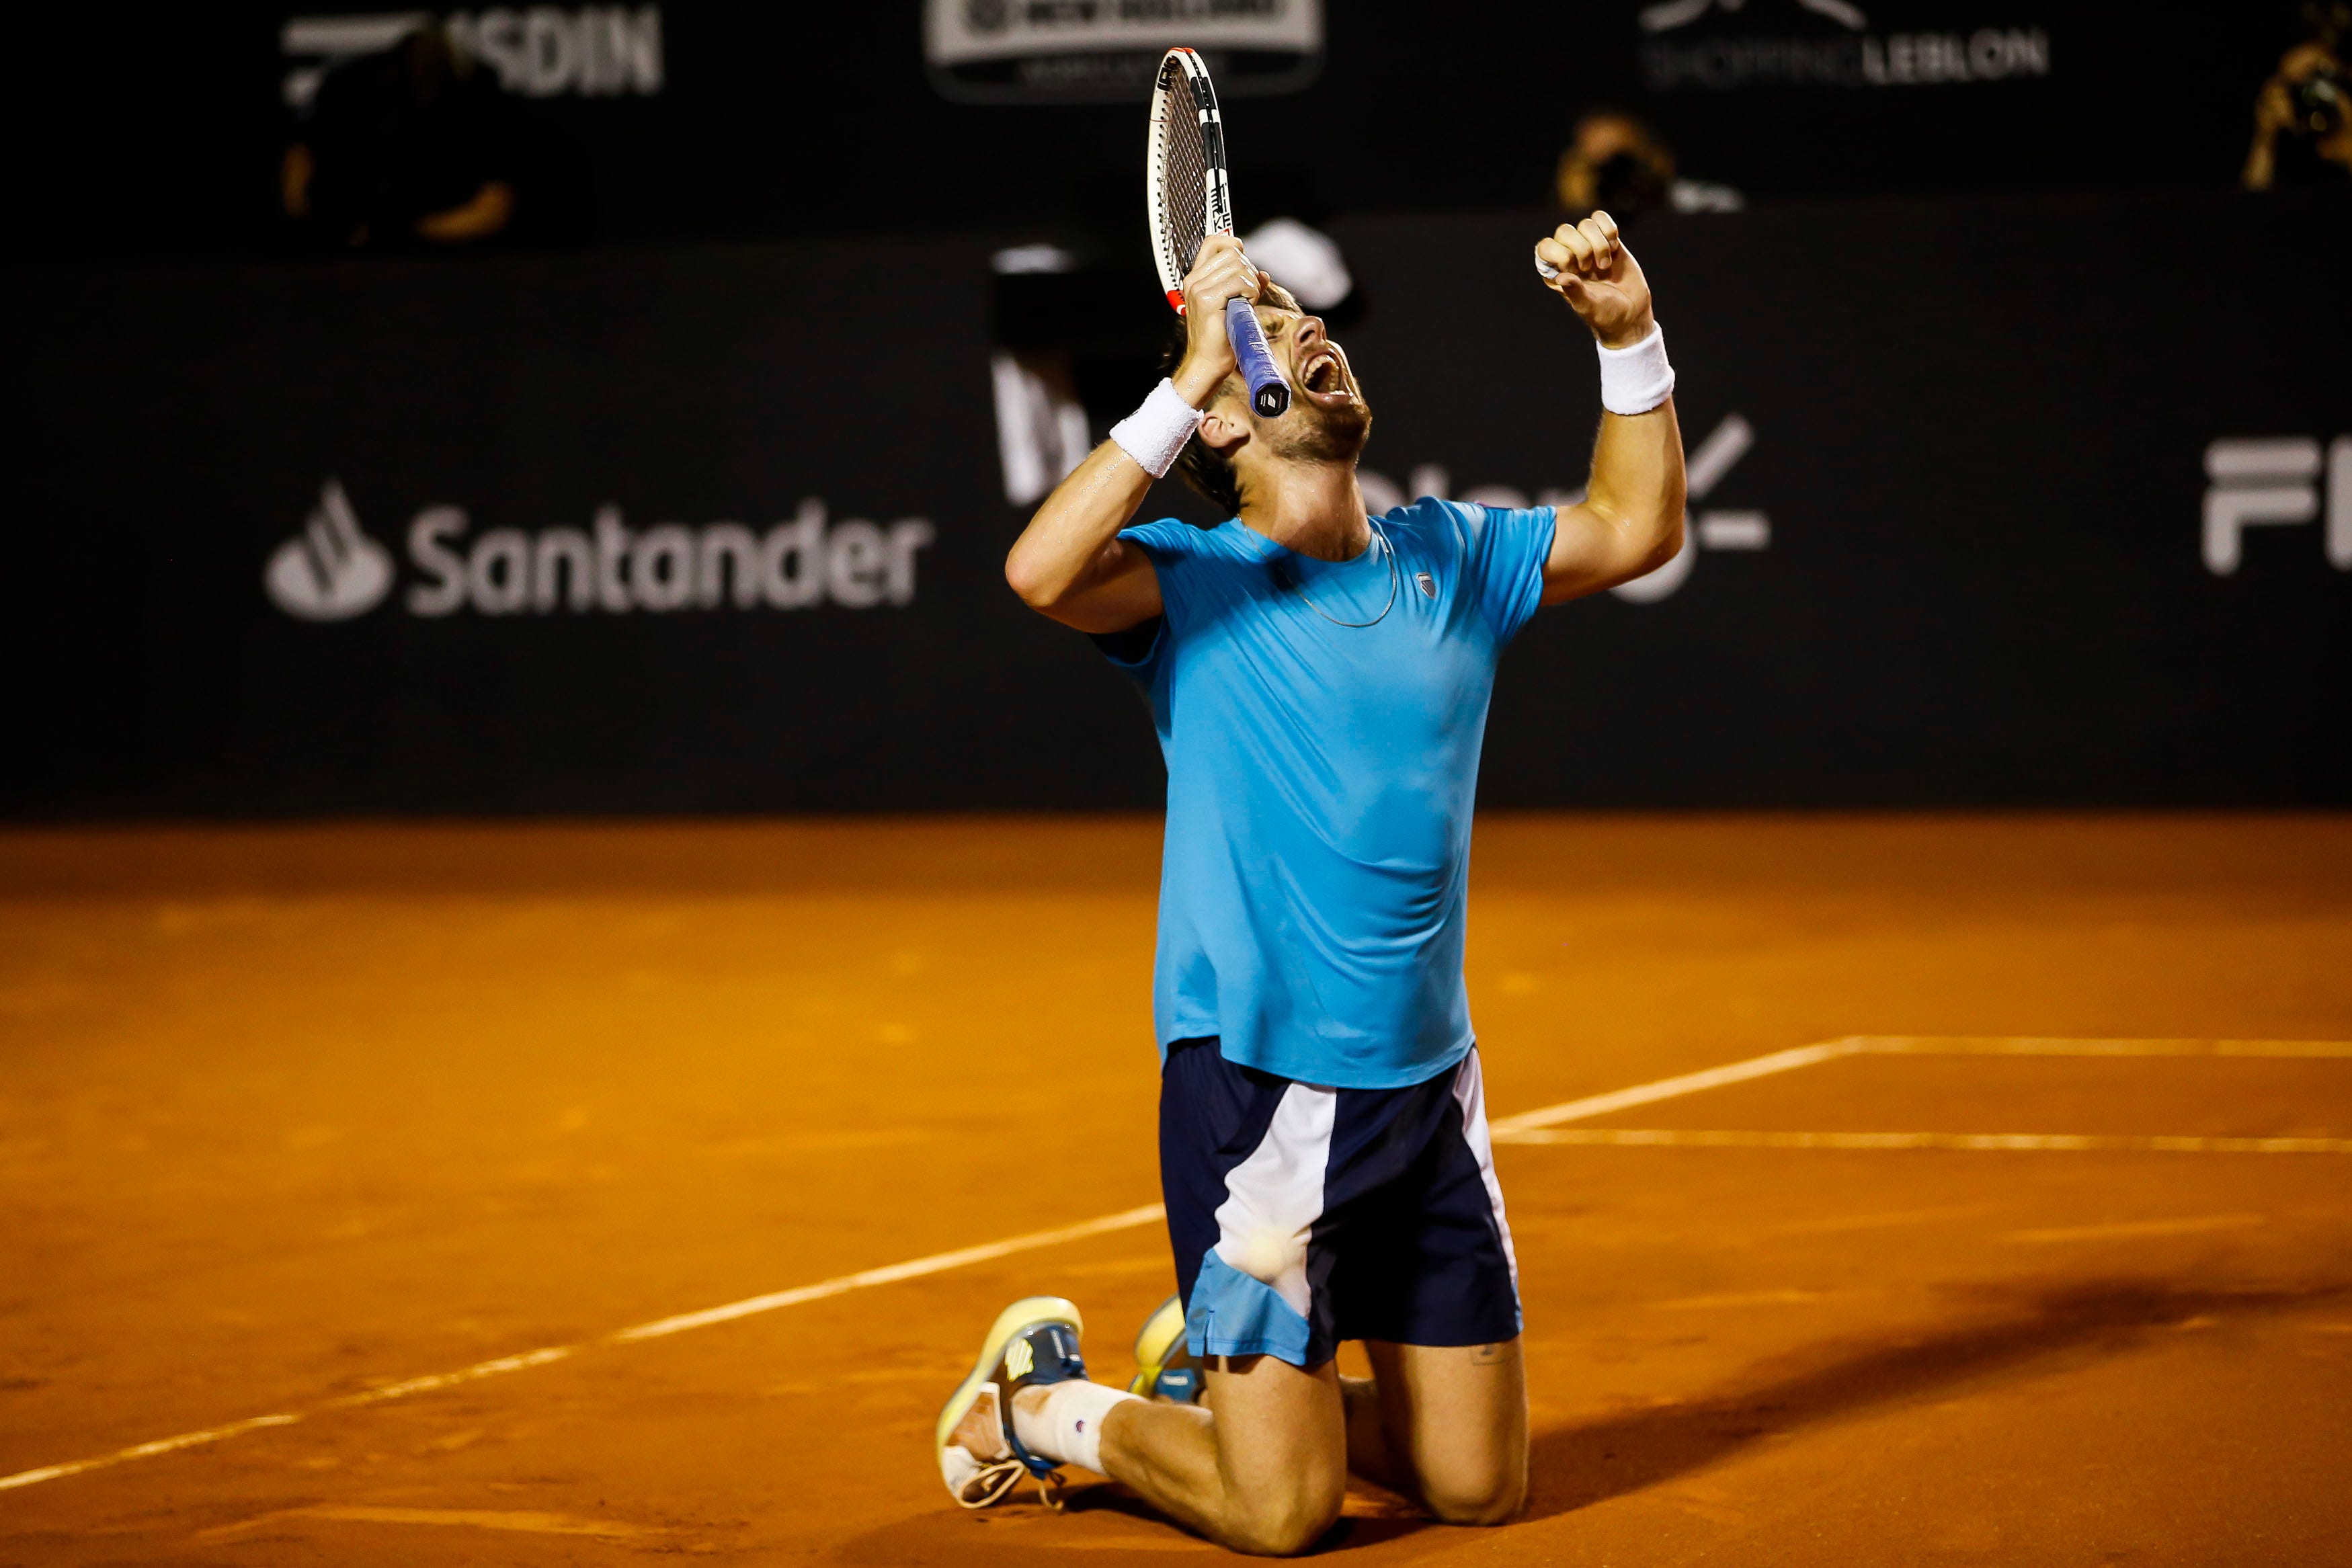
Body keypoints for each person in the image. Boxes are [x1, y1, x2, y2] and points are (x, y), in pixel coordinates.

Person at [932, 210, 1685, 1555]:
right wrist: (1184, 377)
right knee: (1282, 1511)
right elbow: (1038, 571)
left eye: (1307, 319)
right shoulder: (1194, 582)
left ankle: (1225, 1384)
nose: (1311, 333)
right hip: (1260, 1090)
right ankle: (1045, 1406)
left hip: (1428, 1089)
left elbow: (1634, 526)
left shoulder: (1452, 555)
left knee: (1475, 1486)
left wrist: (1628, 335)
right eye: (1269, 333)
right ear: (1226, 421)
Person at [282, 24, 519, 250]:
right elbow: (299, 164)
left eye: (432, 74)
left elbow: (493, 210)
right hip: (332, 249)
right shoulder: (353, 91)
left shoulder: (477, 103)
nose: (422, 85)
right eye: (415, 71)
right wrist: (313, 224)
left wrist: (405, 231)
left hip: (441, 255)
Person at [1555, 108, 1741, 220]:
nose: (1617, 178)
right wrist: (1577, 210)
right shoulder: (1566, 233)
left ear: (1655, 158)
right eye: (1600, 168)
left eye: (1623, 164)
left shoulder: (1711, 207)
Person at [2244, 3, 2352, 190]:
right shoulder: (2291, 141)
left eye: (2326, 79)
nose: (2316, 96)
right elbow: (2249, 200)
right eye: (2304, 86)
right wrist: (2265, 140)